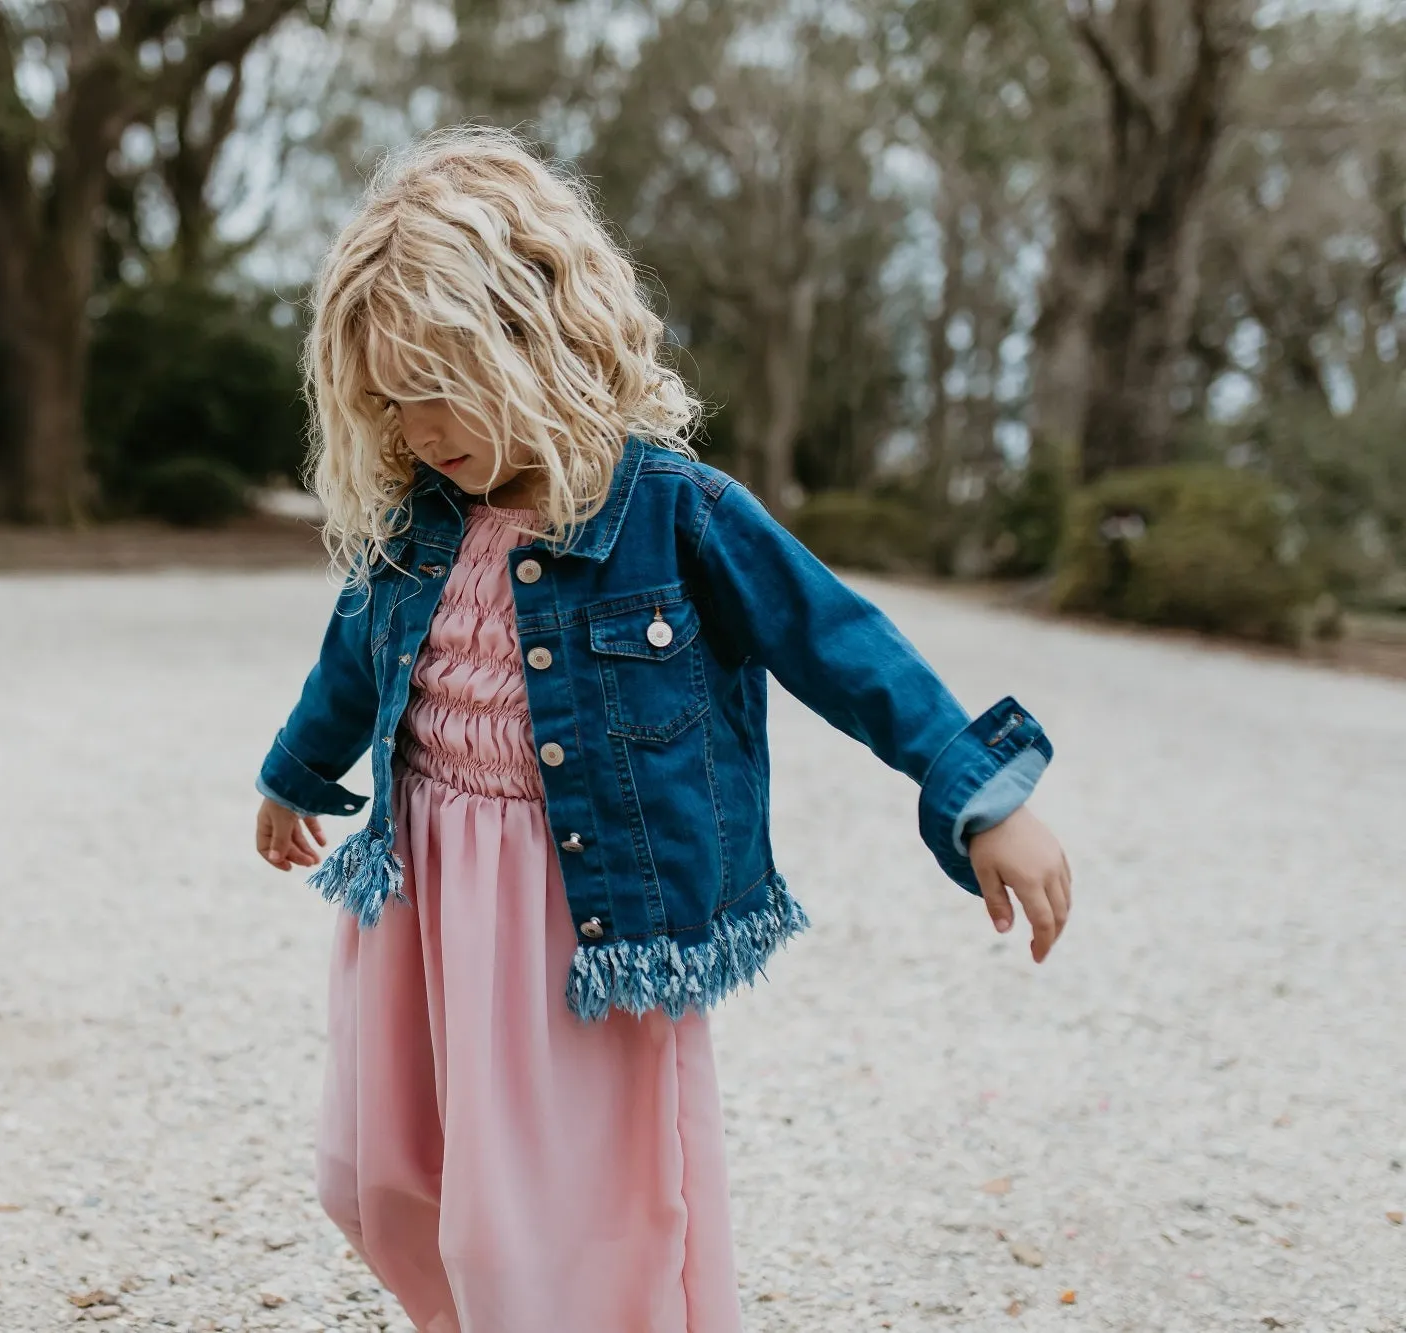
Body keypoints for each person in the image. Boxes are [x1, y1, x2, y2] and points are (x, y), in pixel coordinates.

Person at [251, 126, 1072, 1333]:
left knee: (553, 1220)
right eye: (390, 399)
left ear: (537, 342)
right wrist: (294, 774)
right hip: (422, 892)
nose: (419, 429)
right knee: (379, 1182)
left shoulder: (670, 511)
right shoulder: (419, 523)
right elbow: (352, 660)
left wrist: (979, 794)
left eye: (441, 387)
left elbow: (840, 646)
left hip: (575, 914)